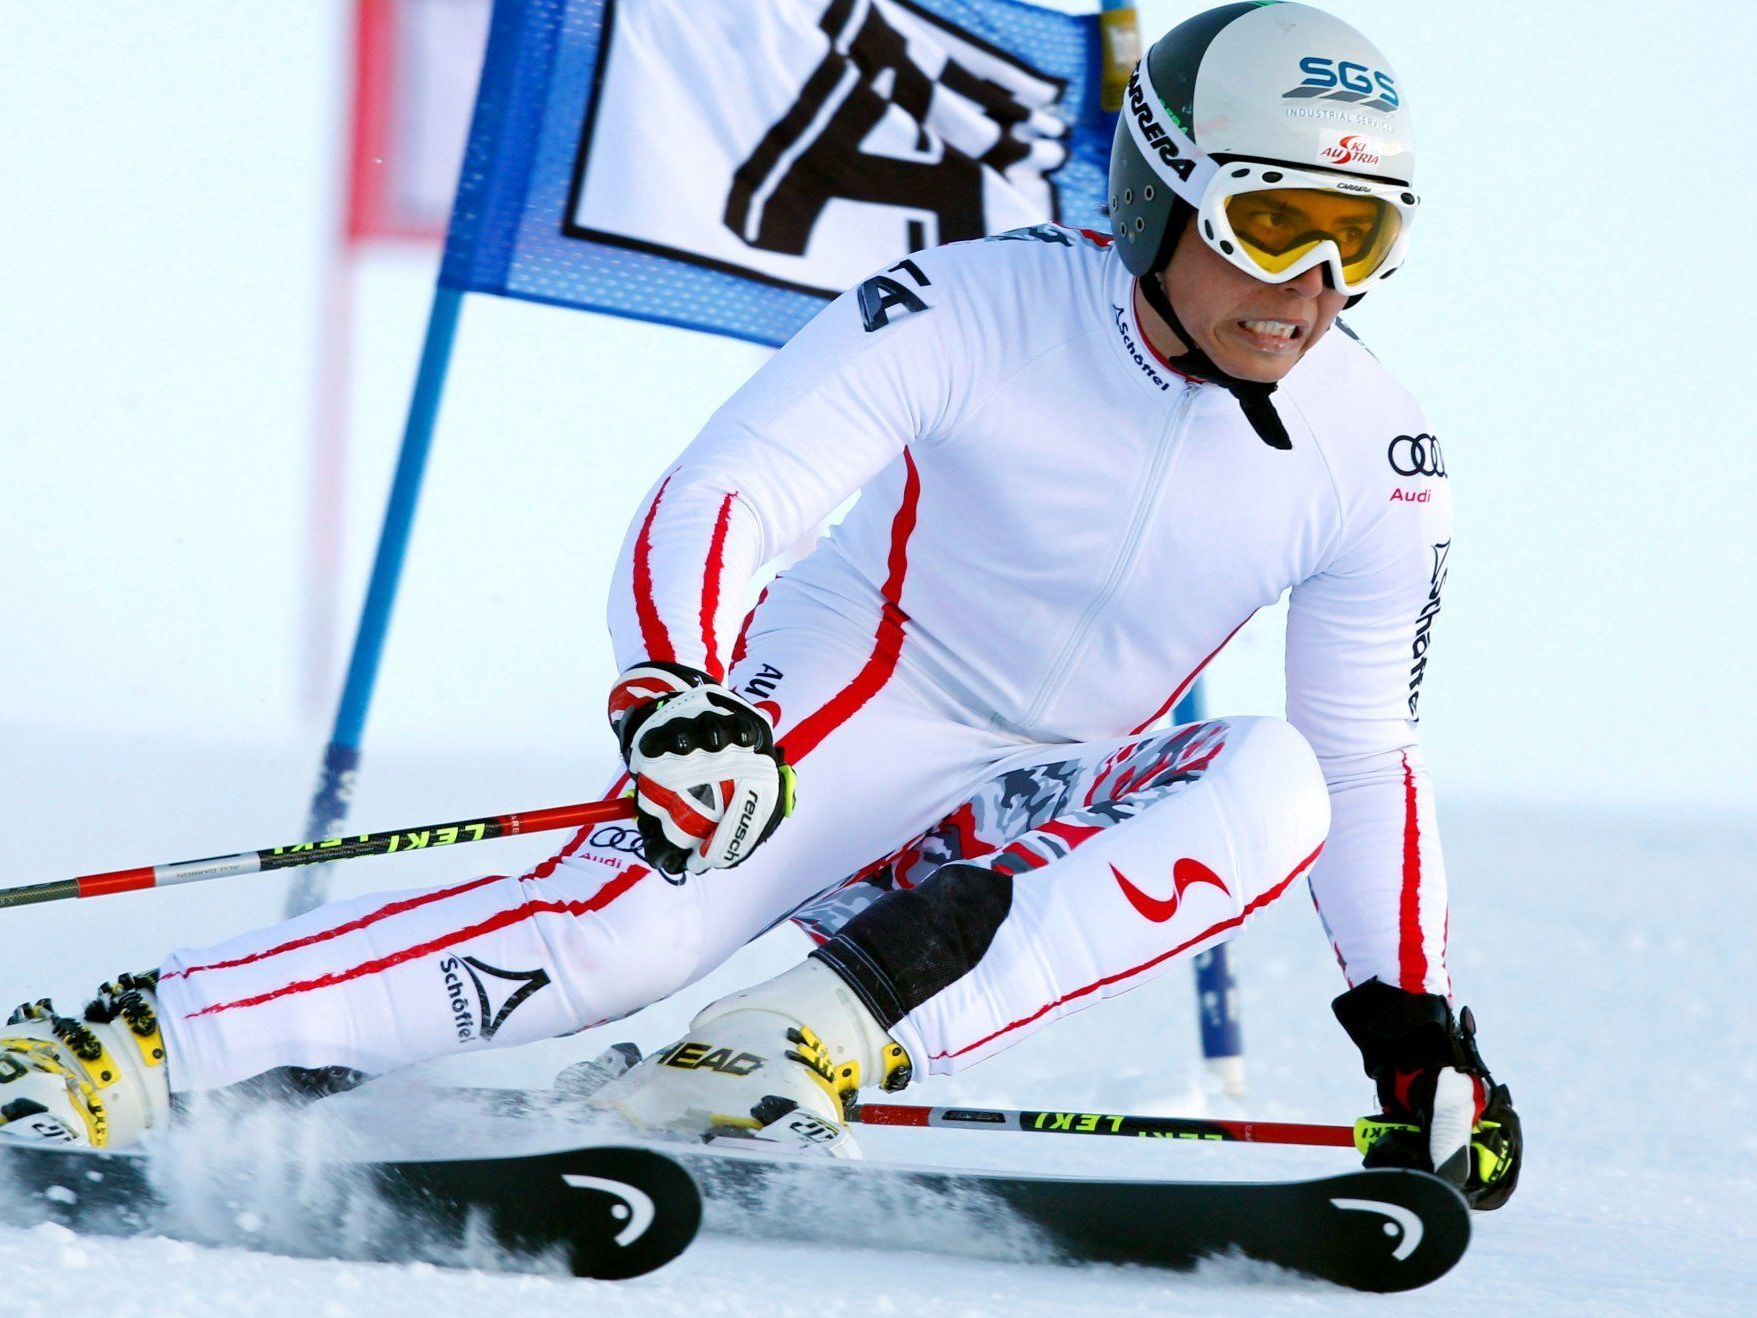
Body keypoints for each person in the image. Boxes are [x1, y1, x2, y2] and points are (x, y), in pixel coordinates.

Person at [0, 2, 1519, 1207]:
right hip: (839, 717)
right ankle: (117, 1045)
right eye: (1272, 226)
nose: (1310, 285)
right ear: (1157, 191)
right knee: (609, 948)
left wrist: (1412, 1024)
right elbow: (734, 486)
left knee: (1274, 782)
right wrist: (680, 693)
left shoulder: (1371, 457)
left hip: (1035, 811)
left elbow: (1365, 752)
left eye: (1360, 237)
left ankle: (779, 1048)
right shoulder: (980, 304)